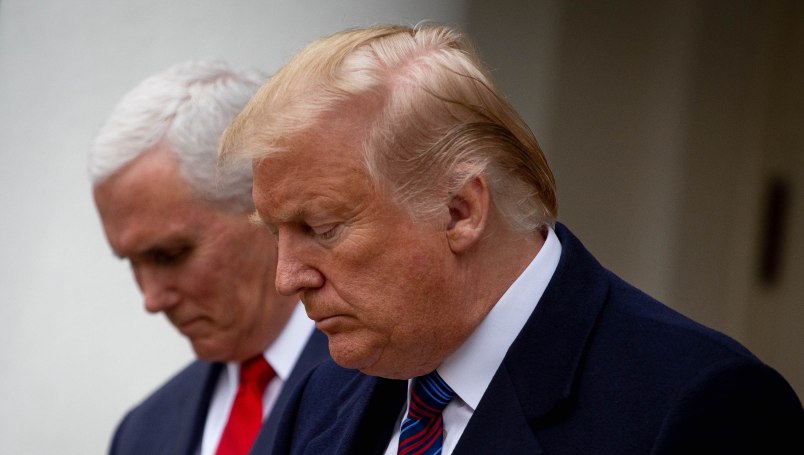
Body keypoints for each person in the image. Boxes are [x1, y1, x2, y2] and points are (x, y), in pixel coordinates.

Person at [218, 24, 804, 454]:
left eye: (320, 229)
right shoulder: (323, 392)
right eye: (276, 233)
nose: (286, 277)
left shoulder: (699, 406)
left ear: (460, 211)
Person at [90, 60, 329, 455]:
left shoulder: (397, 386)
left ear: (266, 206)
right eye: (131, 262)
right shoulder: (141, 433)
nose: (151, 299)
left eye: (169, 254)